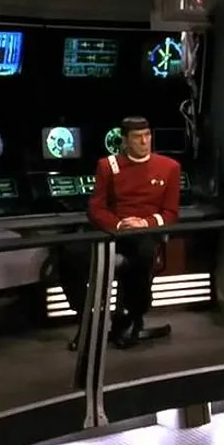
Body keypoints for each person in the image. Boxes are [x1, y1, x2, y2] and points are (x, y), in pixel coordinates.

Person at [68, 116, 180, 350]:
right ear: (125, 141)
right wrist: (119, 225)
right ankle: (89, 320)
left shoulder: (169, 167)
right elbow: (96, 208)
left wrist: (145, 223)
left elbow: (170, 213)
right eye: (137, 137)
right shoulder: (107, 166)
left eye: (147, 136)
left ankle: (129, 317)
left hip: (144, 232)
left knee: (143, 253)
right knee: (70, 254)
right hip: (114, 231)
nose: (144, 142)